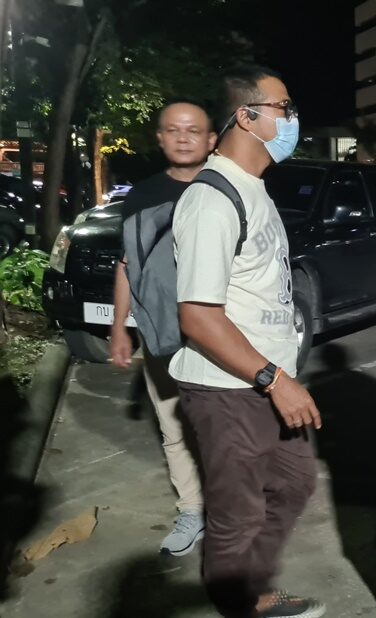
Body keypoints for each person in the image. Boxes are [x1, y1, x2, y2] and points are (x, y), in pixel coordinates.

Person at [169, 65, 325, 618]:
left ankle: (250, 590)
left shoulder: (252, 189)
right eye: (285, 108)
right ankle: (240, 602)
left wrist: (281, 377)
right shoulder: (212, 199)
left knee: (296, 483)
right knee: (237, 516)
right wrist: (274, 379)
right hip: (229, 388)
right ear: (247, 116)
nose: (294, 120)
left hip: (266, 383)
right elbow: (198, 316)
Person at [109, 100, 215, 556]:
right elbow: (127, 263)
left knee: (226, 425)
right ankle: (192, 510)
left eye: (193, 130)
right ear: (160, 138)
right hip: (163, 335)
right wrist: (120, 327)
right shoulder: (143, 195)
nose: (183, 138)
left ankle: (233, 509)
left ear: (212, 139)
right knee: (174, 425)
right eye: (173, 130)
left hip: (223, 335)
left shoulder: (228, 188)